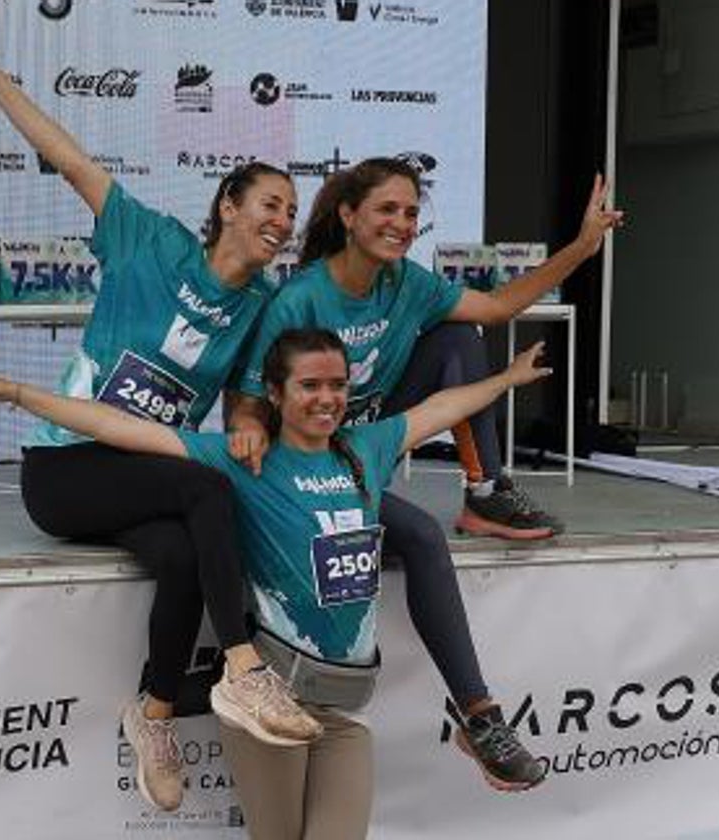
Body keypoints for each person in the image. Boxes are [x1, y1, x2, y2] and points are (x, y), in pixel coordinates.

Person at [0, 326, 552, 839]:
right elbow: (118, 428)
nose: (327, 398)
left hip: (342, 712)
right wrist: (11, 391)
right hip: (270, 706)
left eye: (337, 385)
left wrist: (507, 379)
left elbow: (441, 409)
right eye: (310, 386)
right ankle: (160, 704)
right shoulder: (244, 459)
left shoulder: (367, 447)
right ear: (276, 394)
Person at [0, 11, 320, 814]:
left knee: (181, 557)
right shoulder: (147, 239)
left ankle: (152, 715)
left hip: (138, 477)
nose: (283, 221)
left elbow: (249, 391)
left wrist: (248, 417)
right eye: (271, 204)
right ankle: (245, 670)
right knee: (206, 492)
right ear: (227, 205)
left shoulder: (262, 306)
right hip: (64, 469)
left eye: (292, 212)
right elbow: (69, 156)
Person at [228, 157, 622, 781]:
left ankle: (485, 492)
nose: (403, 224)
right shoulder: (300, 298)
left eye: (411, 213)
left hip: (366, 448)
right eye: (387, 209)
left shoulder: (406, 283)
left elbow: (496, 309)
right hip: (304, 471)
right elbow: (250, 395)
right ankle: (480, 710)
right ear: (349, 216)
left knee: (460, 336)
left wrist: (580, 247)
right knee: (420, 537)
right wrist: (248, 427)